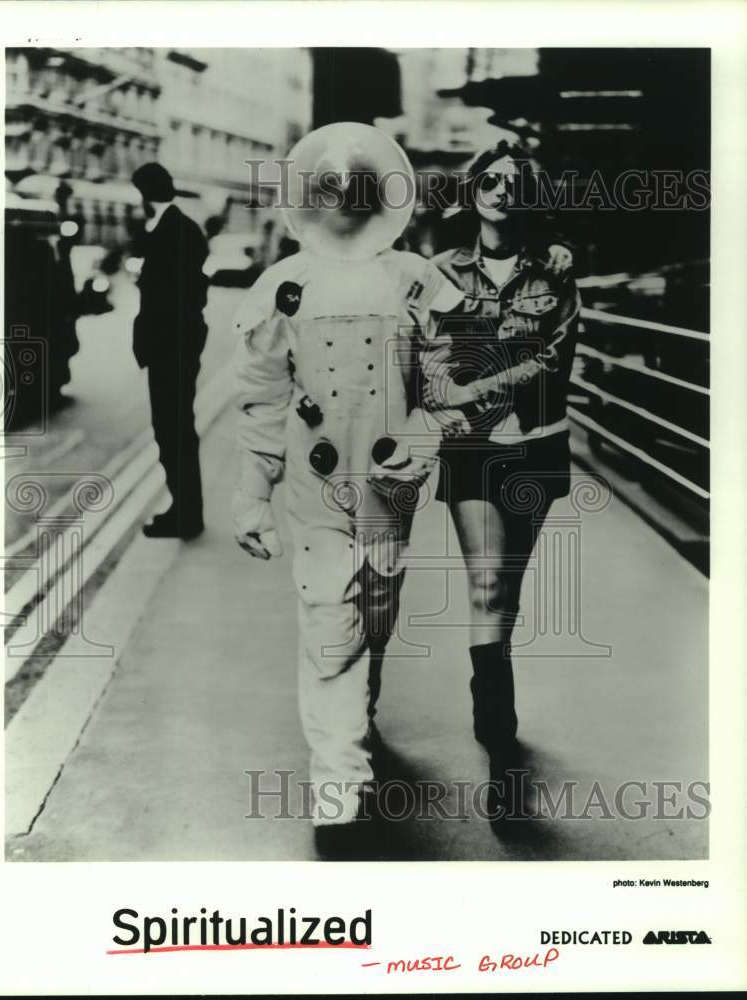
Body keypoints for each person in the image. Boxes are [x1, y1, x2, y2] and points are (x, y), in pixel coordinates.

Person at [230, 124, 465, 858]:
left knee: (375, 608)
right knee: (329, 622)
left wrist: (426, 437)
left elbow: (452, 388)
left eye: (353, 186)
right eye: (327, 186)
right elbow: (262, 397)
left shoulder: (415, 281)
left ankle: (355, 717)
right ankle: (340, 784)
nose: (341, 198)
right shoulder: (281, 286)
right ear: (310, 194)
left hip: (391, 485)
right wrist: (249, 495)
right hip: (316, 483)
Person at [423, 140, 580, 816]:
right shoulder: (438, 270)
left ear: (529, 195)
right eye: (489, 180)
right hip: (471, 450)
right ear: (472, 190)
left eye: (514, 183)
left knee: (506, 590)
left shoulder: (555, 272)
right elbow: (424, 357)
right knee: (485, 583)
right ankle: (497, 730)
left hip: (536, 446)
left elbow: (551, 359)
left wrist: (472, 391)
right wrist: (443, 399)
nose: (500, 191)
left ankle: (493, 696)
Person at [131, 163, 209, 539]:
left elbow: (172, 296)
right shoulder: (179, 229)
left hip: (171, 347)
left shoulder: (173, 231)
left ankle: (187, 515)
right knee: (175, 430)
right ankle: (184, 508)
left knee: (173, 430)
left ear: (144, 194)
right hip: (175, 345)